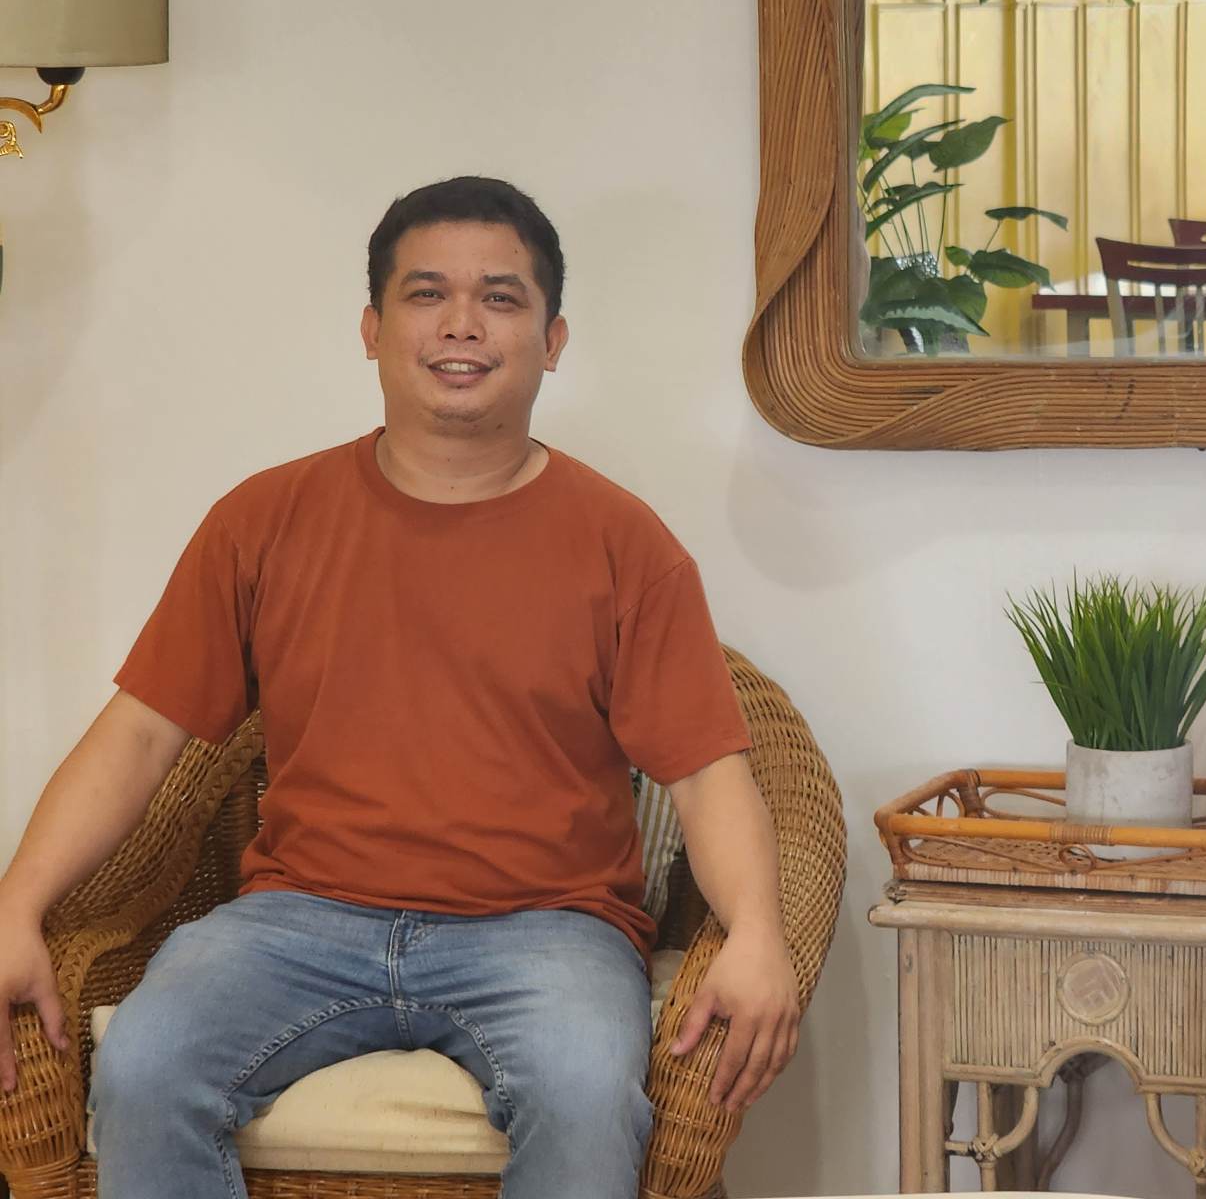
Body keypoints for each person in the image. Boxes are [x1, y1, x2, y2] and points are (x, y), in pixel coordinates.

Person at [0, 176, 800, 1199]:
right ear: (373, 330)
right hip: (298, 921)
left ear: (552, 340)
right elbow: (140, 736)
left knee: (588, 1095)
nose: (461, 324)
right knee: (148, 1067)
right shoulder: (264, 517)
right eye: (427, 294)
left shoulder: (624, 546)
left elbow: (706, 774)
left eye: (501, 298)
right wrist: (18, 902)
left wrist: (761, 935)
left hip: (547, 929)